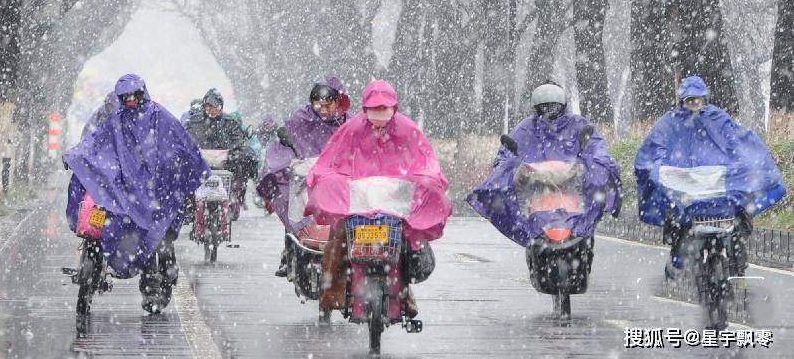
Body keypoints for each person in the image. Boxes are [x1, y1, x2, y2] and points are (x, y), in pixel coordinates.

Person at [305, 79, 452, 321]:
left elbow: (425, 162)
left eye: (384, 110)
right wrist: (333, 181)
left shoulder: (407, 130)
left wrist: (424, 181)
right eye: (375, 110)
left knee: (405, 244)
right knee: (338, 241)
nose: (380, 116)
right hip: (358, 204)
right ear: (364, 109)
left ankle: (404, 294)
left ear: (394, 108)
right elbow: (332, 162)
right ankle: (331, 295)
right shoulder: (351, 130)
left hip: (395, 204)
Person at [64, 74, 209, 313]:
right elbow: (94, 143)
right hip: (121, 190)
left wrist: (176, 168)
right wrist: (76, 156)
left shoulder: (159, 117)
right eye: (126, 97)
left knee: (158, 241)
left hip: (152, 191)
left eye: (135, 95)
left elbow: (179, 145)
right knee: (100, 219)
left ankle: (156, 287)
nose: (131, 100)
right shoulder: (115, 121)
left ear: (143, 93)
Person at [635, 75, 786, 278]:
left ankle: (738, 266)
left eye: (698, 99)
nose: (695, 104)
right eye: (690, 100)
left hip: (720, 189)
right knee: (677, 220)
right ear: (682, 101)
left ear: (705, 99)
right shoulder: (669, 123)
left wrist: (746, 165)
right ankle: (677, 260)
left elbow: (737, 143)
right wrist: (658, 170)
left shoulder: (717, 118)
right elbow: (655, 149)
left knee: (740, 218)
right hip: (686, 191)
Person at [466, 81, 622, 247]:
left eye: (554, 105)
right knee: (510, 195)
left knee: (594, 192)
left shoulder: (578, 125)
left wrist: (597, 163)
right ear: (536, 107)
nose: (550, 110)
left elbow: (597, 148)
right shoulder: (527, 128)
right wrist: (507, 165)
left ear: (563, 105)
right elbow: (507, 153)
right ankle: (533, 238)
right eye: (545, 106)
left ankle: (583, 237)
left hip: (572, 188)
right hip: (538, 188)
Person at [256, 77, 351, 276]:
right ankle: (290, 248)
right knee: (291, 201)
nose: (323, 110)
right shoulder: (301, 118)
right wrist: (289, 164)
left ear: (339, 102)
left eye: (328, 105)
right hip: (304, 178)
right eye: (318, 105)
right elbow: (283, 147)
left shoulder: (348, 124)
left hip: (337, 181)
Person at [184, 88, 258, 218]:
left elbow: (238, 141)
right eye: (208, 106)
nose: (211, 110)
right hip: (200, 165)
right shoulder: (194, 122)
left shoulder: (230, 123)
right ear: (203, 107)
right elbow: (187, 140)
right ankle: (187, 205)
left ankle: (234, 198)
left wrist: (232, 153)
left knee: (248, 157)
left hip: (225, 165)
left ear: (221, 107)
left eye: (215, 106)